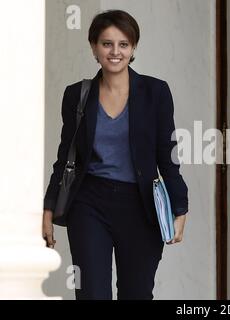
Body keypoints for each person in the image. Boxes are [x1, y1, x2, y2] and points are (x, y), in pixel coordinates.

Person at [42, 10, 189, 300]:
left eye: (123, 44)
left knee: (137, 293)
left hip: (141, 205)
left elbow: (167, 154)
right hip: (89, 203)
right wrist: (48, 208)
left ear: (133, 48)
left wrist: (180, 205)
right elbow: (65, 157)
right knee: (92, 294)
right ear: (94, 47)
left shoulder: (155, 92)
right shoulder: (77, 95)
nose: (115, 51)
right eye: (107, 43)